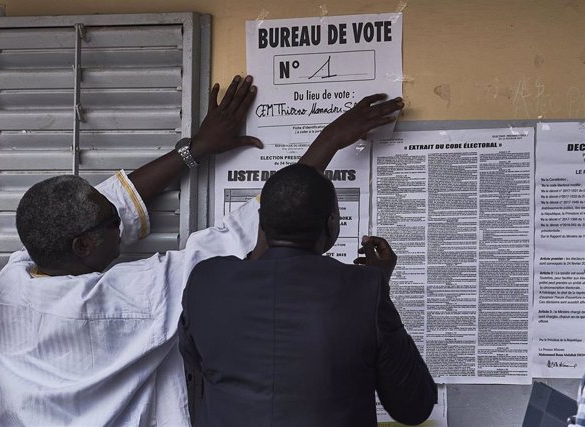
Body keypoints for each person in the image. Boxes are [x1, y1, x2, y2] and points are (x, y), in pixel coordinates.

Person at [0, 71, 403, 426]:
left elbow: (117, 201)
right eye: (113, 221)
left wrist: (193, 150)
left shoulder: (14, 277)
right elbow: (255, 228)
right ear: (82, 245)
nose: (122, 219)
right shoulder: (125, 301)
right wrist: (328, 141)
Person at [178, 169, 437, 425]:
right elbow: (413, 406)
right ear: (331, 223)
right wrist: (379, 284)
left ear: (261, 221)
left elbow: (198, 378)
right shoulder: (366, 288)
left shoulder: (205, 281)